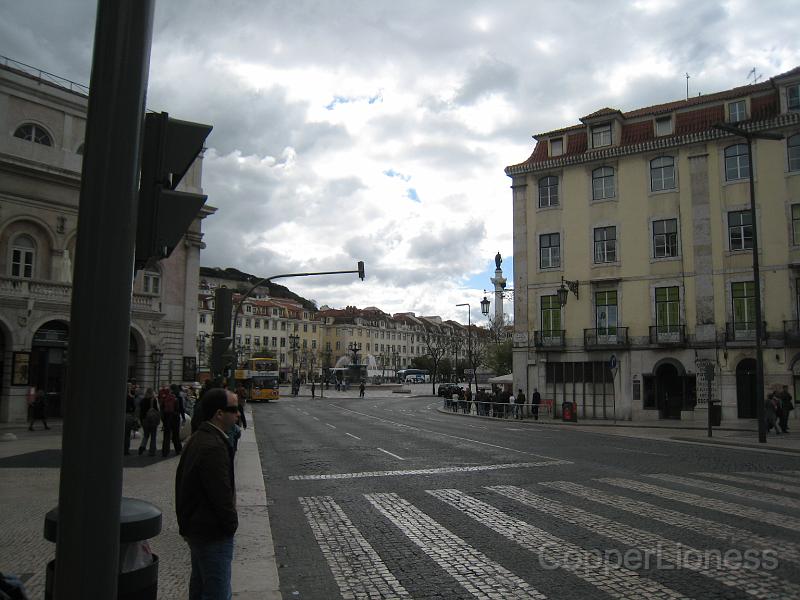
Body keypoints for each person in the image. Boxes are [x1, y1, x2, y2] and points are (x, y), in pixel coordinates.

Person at [175, 388, 239, 600]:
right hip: (213, 533)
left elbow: (181, 485)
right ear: (219, 413)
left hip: (199, 529)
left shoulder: (199, 438)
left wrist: (185, 525)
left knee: (201, 587)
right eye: (234, 409)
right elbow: (221, 495)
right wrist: (231, 525)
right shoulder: (212, 446)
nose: (238, 414)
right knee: (217, 592)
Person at [160, 385, 183, 456]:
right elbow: (181, 409)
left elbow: (162, 409)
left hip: (167, 418)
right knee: (176, 434)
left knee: (166, 435)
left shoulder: (165, 398)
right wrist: (183, 417)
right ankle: (178, 450)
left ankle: (165, 451)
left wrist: (163, 420)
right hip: (175, 418)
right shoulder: (178, 398)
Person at [138, 388, 160, 456]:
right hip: (152, 420)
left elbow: (141, 412)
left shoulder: (143, 400)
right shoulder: (154, 400)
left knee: (146, 435)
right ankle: (152, 451)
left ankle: (142, 446)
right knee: (153, 436)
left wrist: (141, 421)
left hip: (144, 420)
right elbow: (156, 410)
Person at [124, 386, 138, 455]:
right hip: (128, 416)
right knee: (127, 435)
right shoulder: (130, 398)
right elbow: (134, 408)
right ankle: (126, 450)